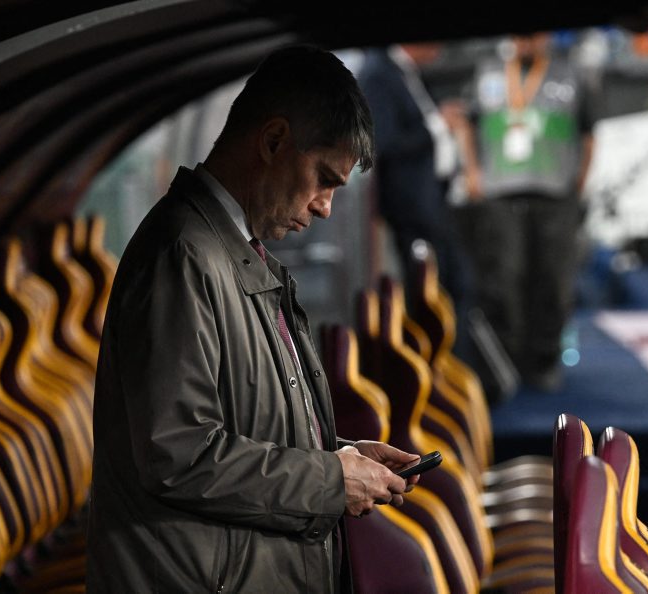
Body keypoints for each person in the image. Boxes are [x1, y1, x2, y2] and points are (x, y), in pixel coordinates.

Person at [85, 46, 420, 593]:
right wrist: (329, 480)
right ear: (273, 141)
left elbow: (242, 425)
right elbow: (179, 455)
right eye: (323, 178)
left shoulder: (228, 251)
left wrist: (339, 456)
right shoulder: (183, 256)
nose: (325, 206)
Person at [457, 33, 595, 393]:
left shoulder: (570, 75)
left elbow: (588, 133)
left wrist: (578, 182)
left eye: (533, 34)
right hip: (501, 194)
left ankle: (544, 360)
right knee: (503, 279)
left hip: (555, 194)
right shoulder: (488, 72)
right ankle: (505, 361)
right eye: (520, 35)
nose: (526, 42)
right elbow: (467, 124)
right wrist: (472, 171)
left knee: (553, 280)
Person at [357, 44, 478, 366]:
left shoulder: (407, 74)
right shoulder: (378, 74)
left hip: (433, 204)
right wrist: (438, 124)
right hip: (411, 212)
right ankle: (436, 371)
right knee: (430, 297)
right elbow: (382, 143)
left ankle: (455, 369)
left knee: (454, 287)